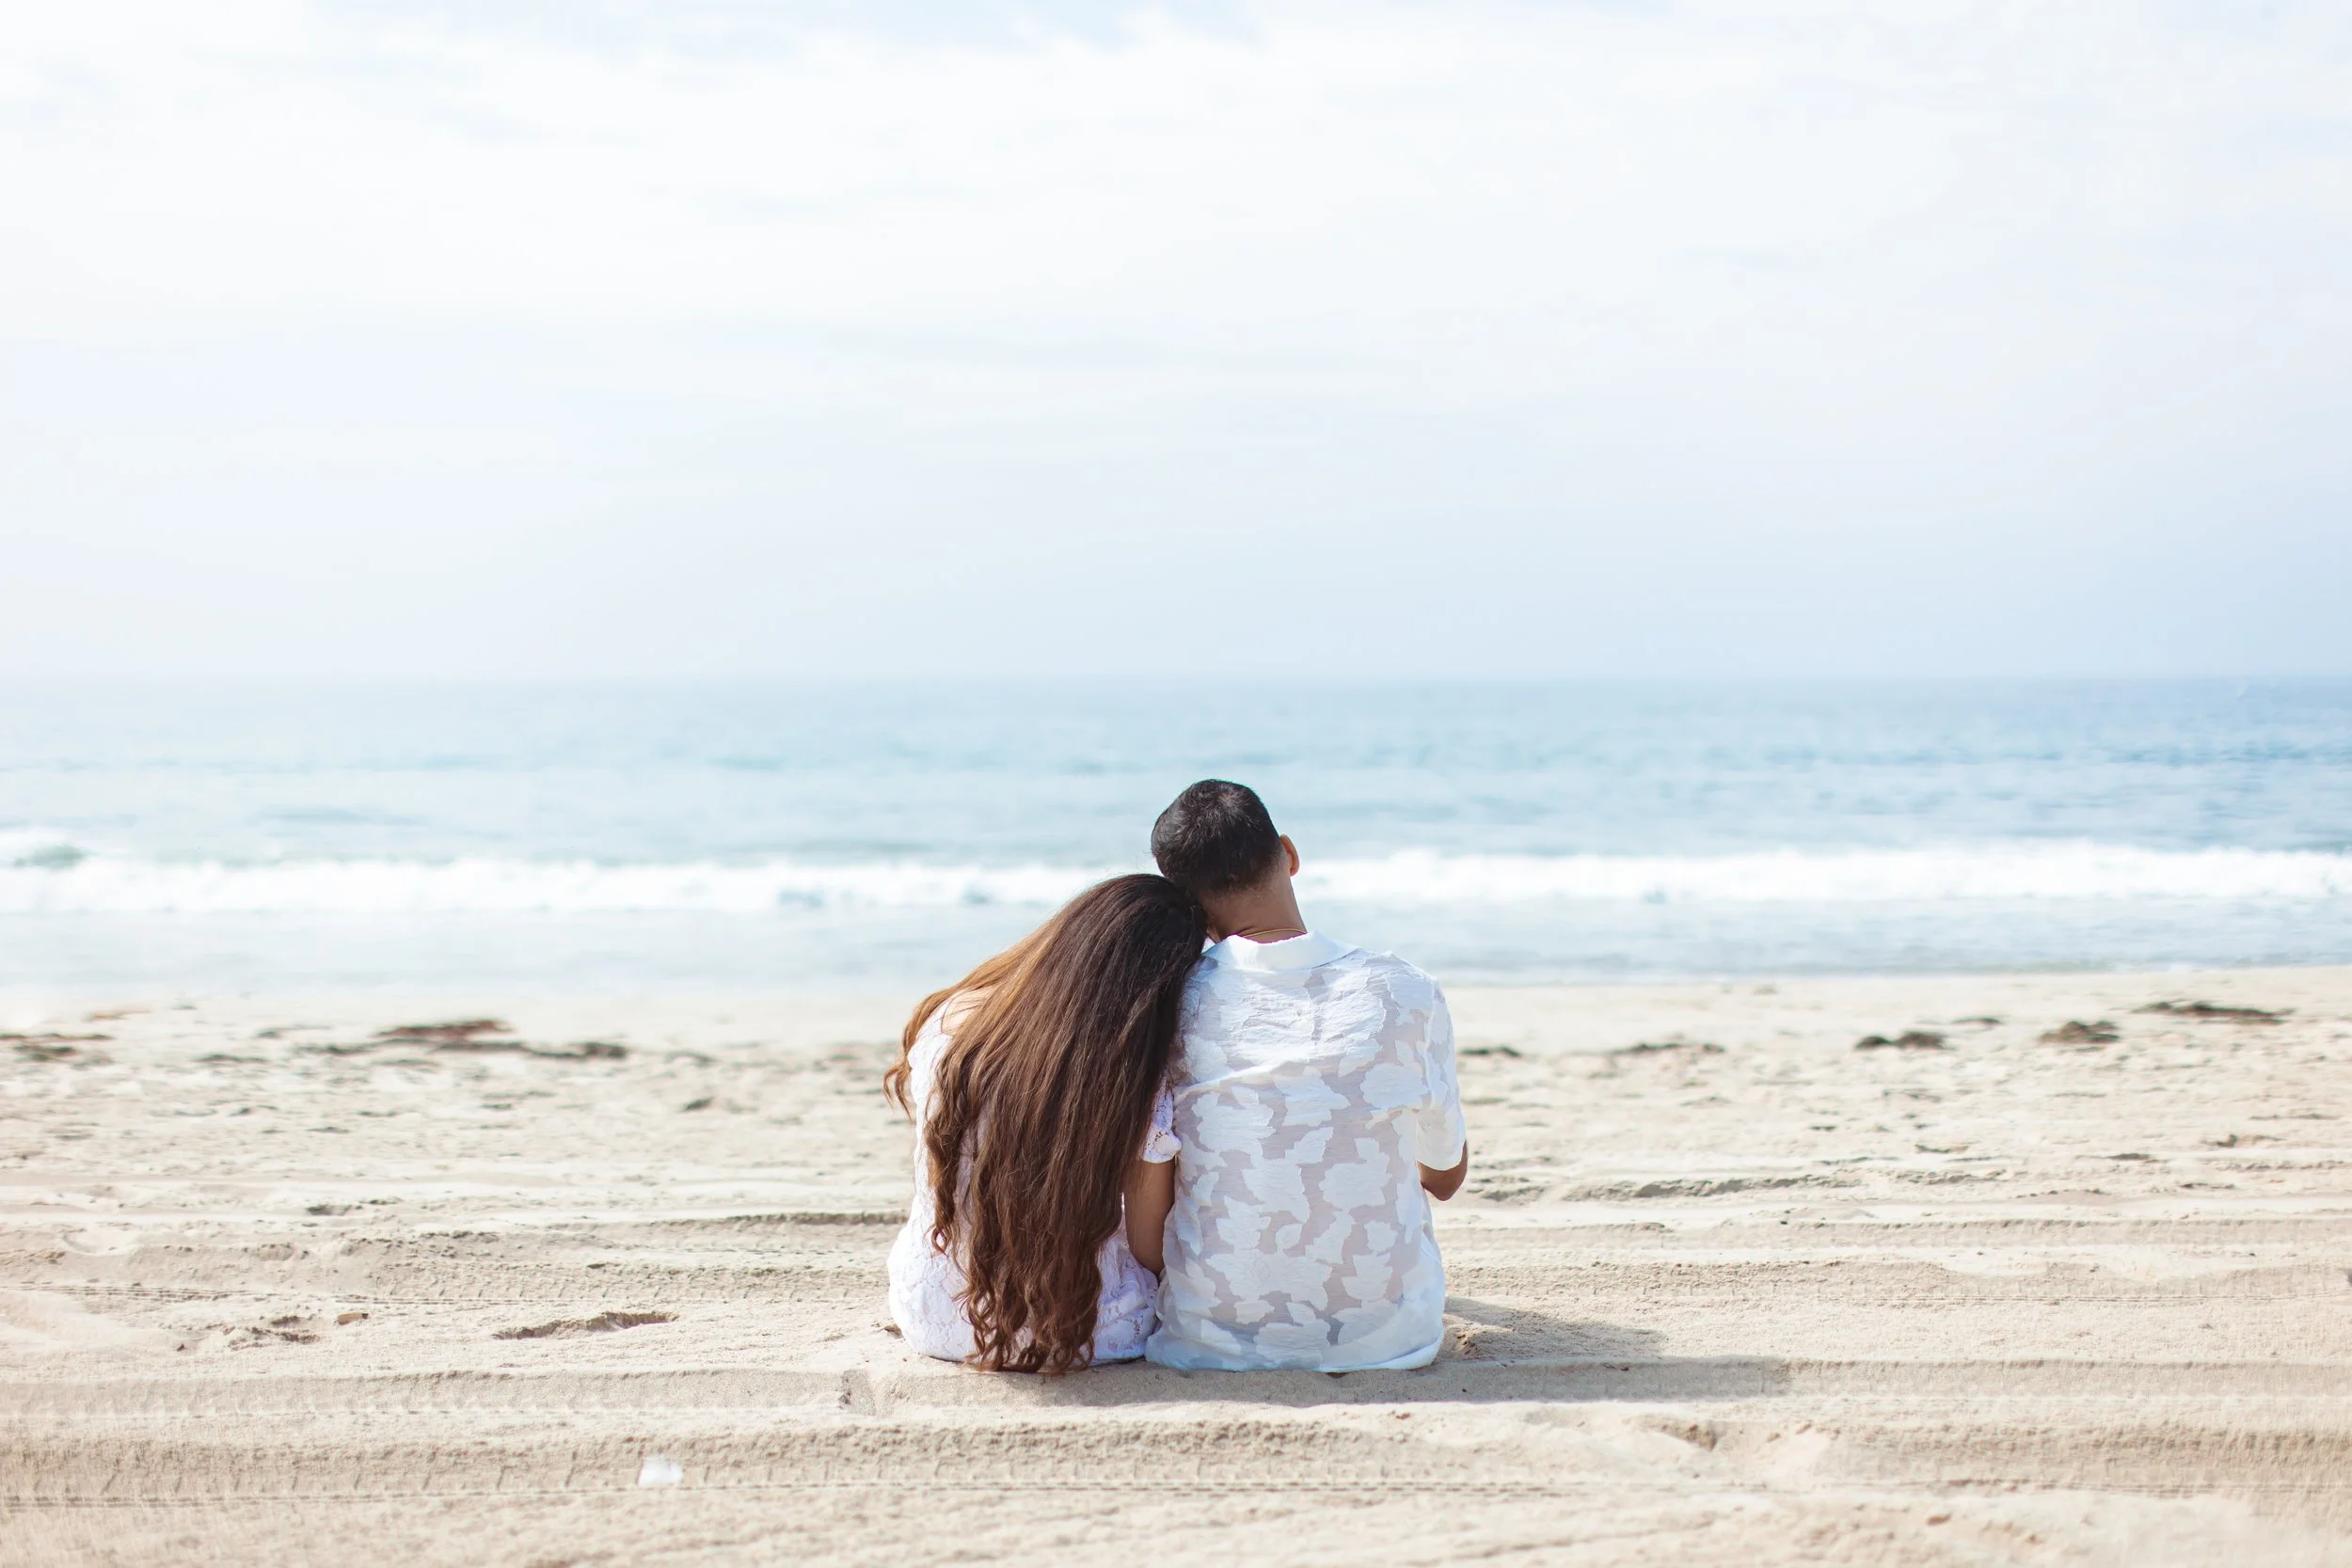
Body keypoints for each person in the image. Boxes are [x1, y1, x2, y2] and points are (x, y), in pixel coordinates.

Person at [1143, 780, 1470, 1371]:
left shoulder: (1172, 1002)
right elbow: (1445, 1178)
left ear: (1184, 901)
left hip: (1207, 1343)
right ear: (1289, 855)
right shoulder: (1404, 989)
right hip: (1394, 1341)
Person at [883, 873, 1206, 1372]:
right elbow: (1149, 1249)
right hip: (1088, 1329)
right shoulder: (1131, 1076)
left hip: (936, 1310)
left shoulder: (952, 1021)